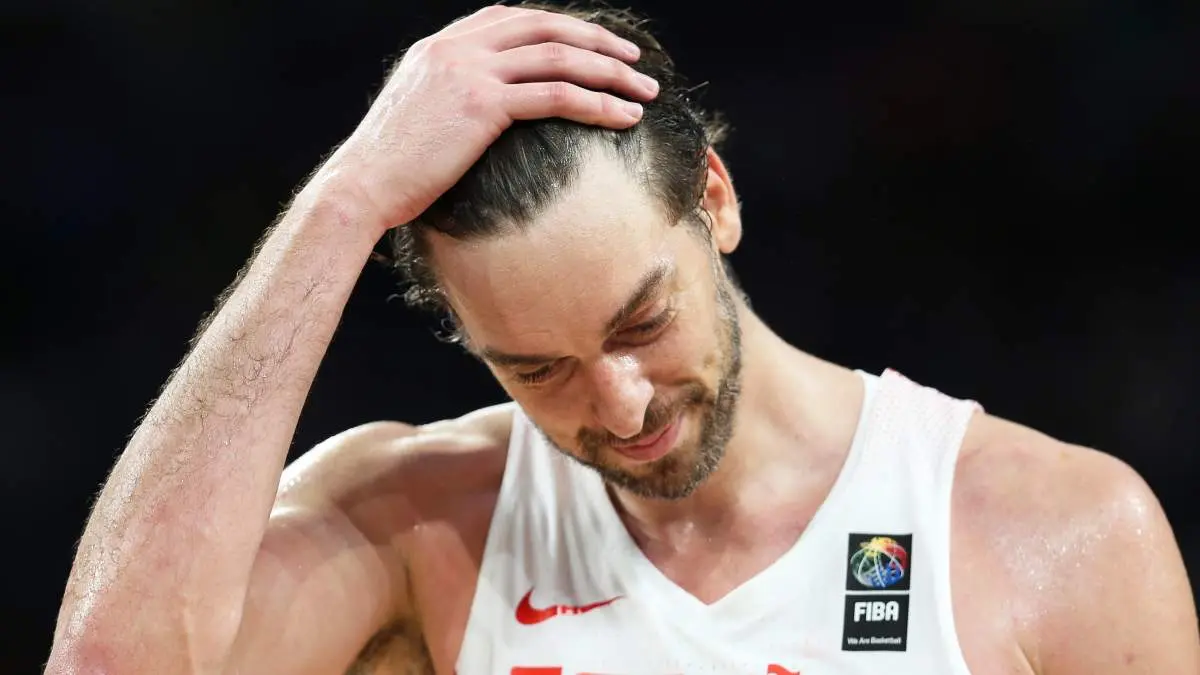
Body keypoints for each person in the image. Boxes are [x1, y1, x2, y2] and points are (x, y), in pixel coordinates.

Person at [46, 2, 1198, 674]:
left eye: (643, 323)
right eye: (536, 368)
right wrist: (342, 203)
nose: (622, 405)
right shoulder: (422, 526)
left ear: (715, 200)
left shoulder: (1055, 534)